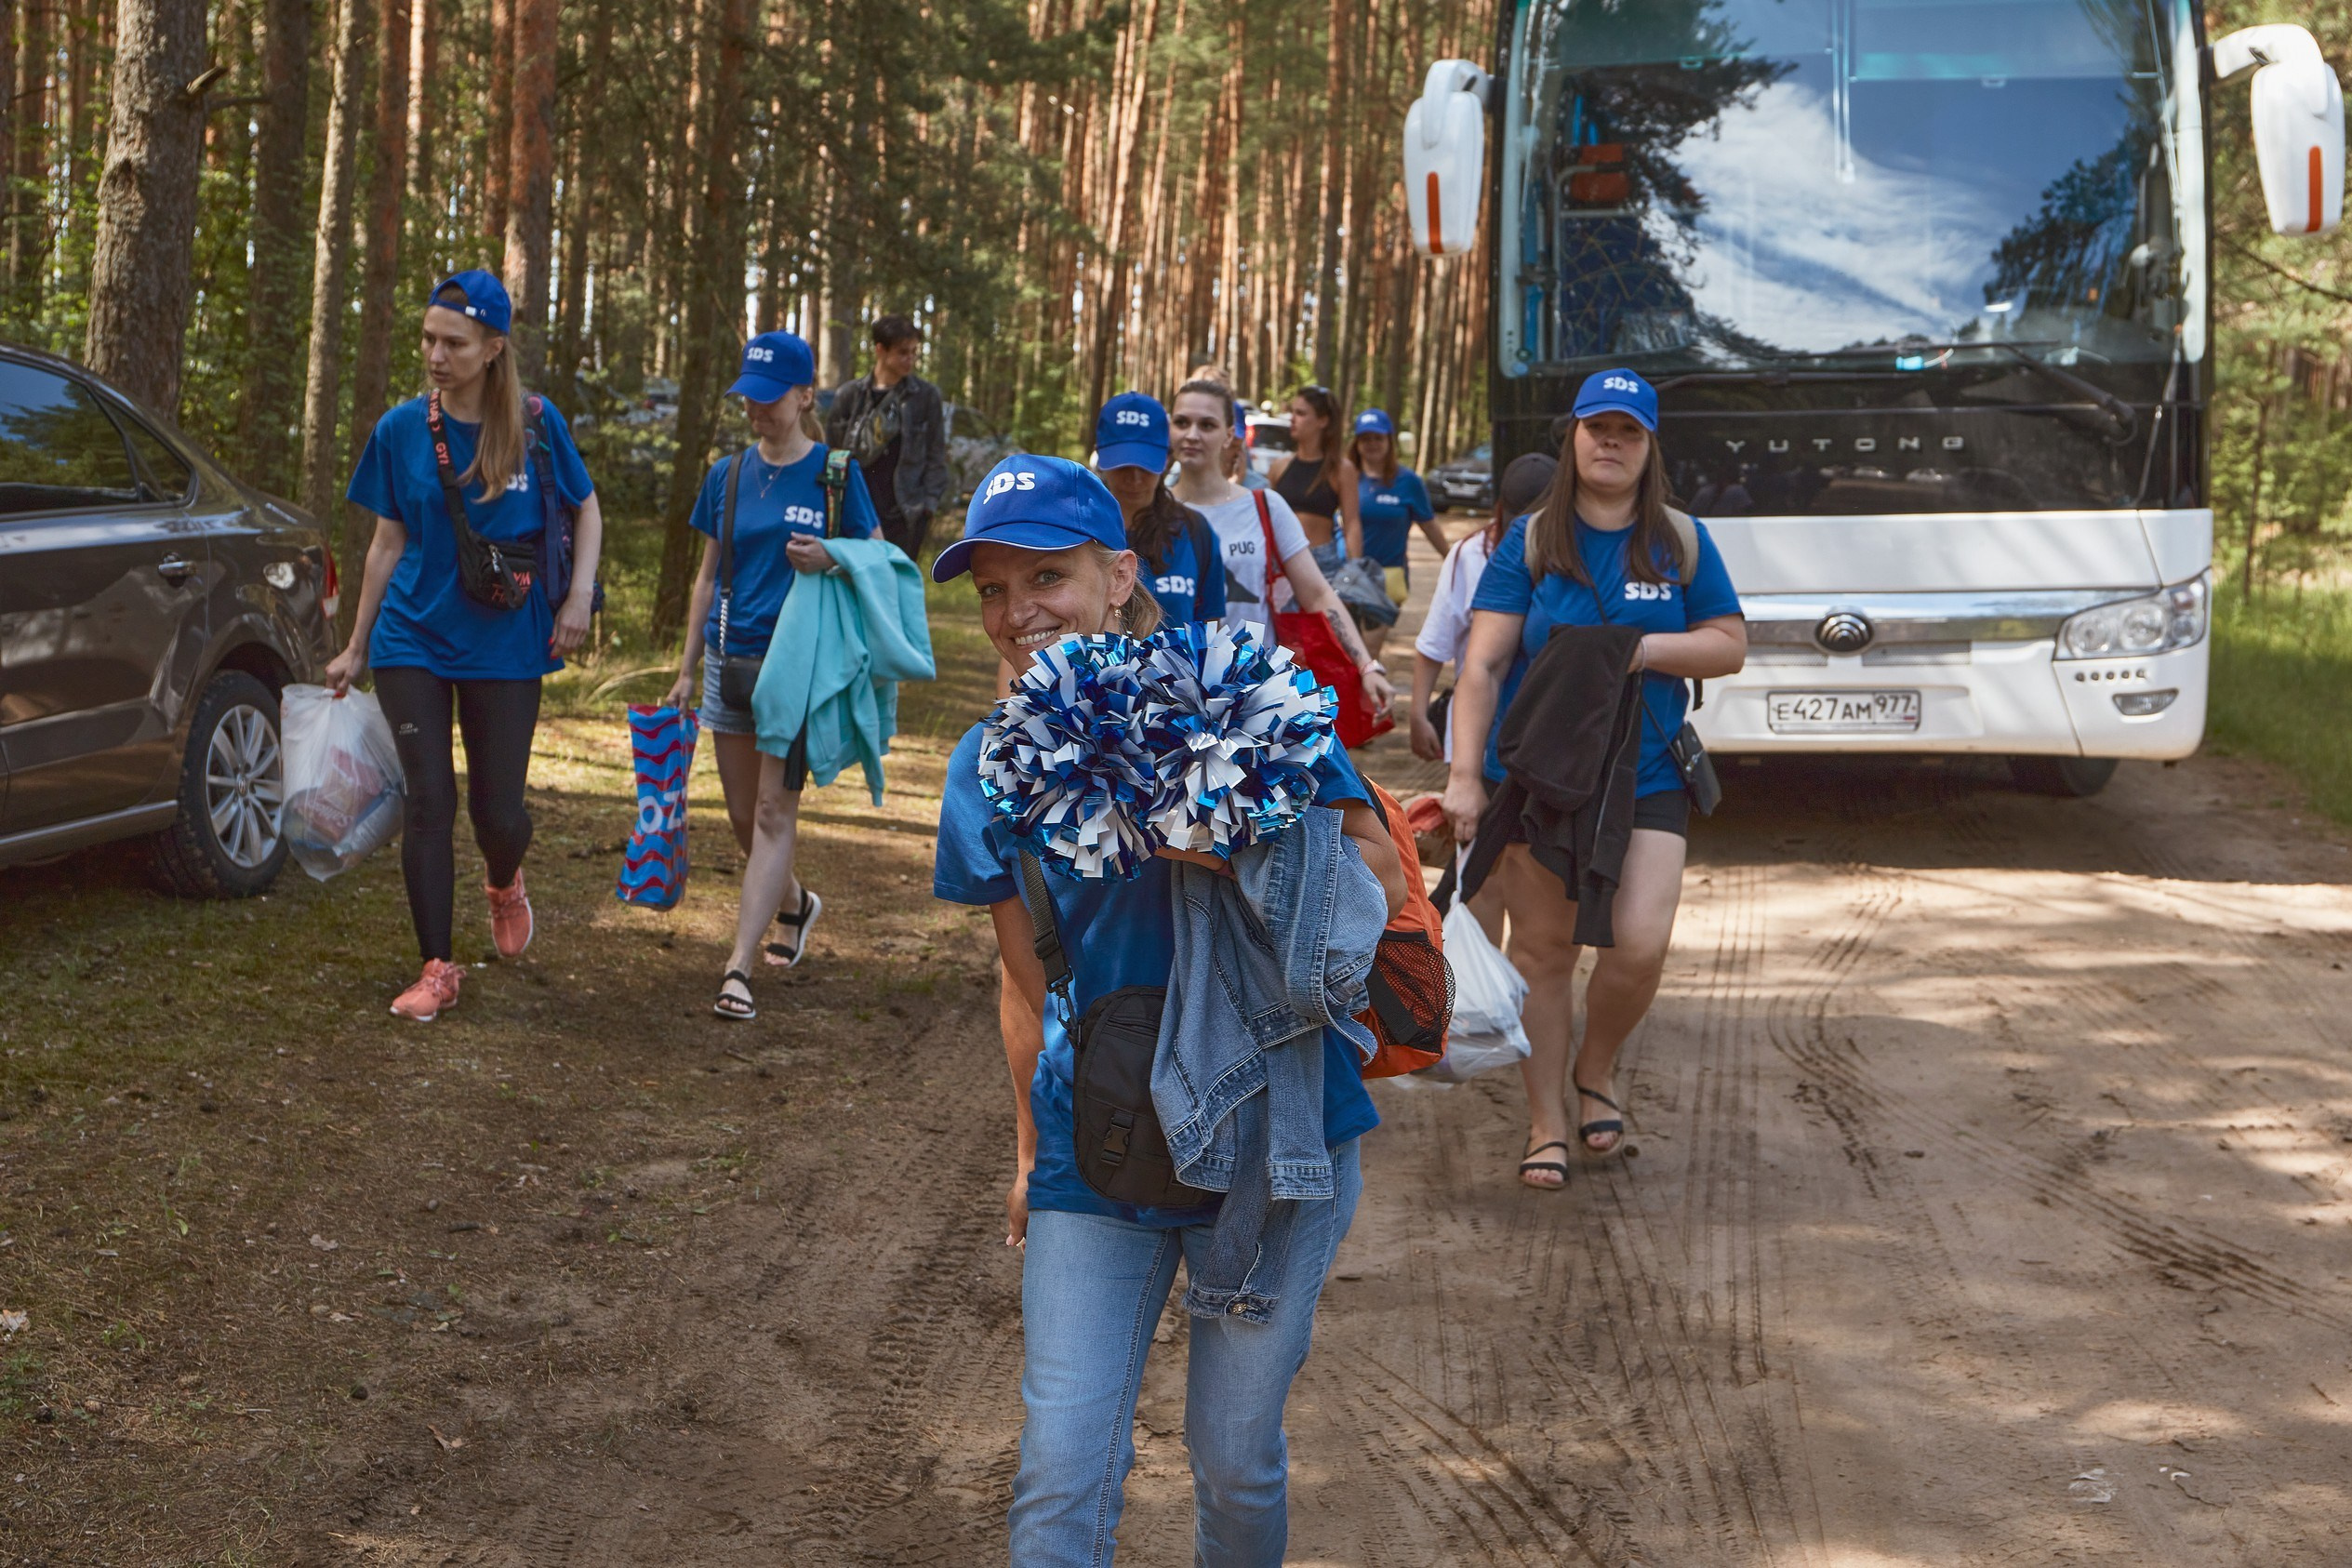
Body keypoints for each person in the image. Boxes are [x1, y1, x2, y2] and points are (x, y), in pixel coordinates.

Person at [928, 455, 1407, 1563]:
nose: (1016, 613)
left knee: (1236, 1464)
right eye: (992, 590)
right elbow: (1024, 982)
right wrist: (1028, 1147)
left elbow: (1378, 873)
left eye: (1045, 576)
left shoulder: (1239, 694)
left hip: (1276, 1138)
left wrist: (1238, 843)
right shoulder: (982, 768)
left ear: (1118, 575)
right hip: (1098, 1145)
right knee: (1060, 1469)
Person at [1440, 370, 1747, 1188]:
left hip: (1645, 773)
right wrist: (1464, 776)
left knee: (1638, 944)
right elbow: (1482, 666)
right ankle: (1546, 1123)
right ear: (1572, 437)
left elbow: (1727, 642)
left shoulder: (1678, 539)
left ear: (1648, 448)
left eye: (1628, 432)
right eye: (1596, 428)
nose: (1609, 443)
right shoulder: (1533, 540)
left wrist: (1636, 650)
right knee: (1543, 951)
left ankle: (1595, 1068)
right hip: (1538, 776)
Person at [326, 269, 603, 1021]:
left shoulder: (537, 424)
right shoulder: (401, 429)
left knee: (497, 813)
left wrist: (577, 596)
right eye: (427, 339)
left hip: (507, 641)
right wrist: (356, 646)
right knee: (430, 798)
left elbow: (586, 508)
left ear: (491, 348)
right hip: (411, 635)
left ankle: (504, 878)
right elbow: (386, 542)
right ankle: (437, 966)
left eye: (453, 343)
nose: (435, 355)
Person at [666, 331, 881, 1019]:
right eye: (748, 399)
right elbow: (705, 580)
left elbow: (878, 560)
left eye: (768, 398)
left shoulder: (835, 474)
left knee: (768, 812)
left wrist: (832, 556)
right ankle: (795, 902)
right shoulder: (725, 476)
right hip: (730, 665)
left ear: (803, 395)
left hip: (798, 666)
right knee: (737, 813)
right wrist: (684, 667)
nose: (756, 410)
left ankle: (736, 969)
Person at [1165, 379, 1395, 722]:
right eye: (1182, 422)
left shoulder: (1264, 506)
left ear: (1229, 435)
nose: (1192, 434)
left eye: (1207, 425)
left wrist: (1366, 665)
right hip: (1170, 694)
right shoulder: (1152, 513)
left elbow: (1318, 594)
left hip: (1253, 696)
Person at [1410, 452, 1557, 766]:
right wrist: (1418, 714)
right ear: (1500, 509)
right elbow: (1435, 643)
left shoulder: (1578, 557)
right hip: (1477, 737)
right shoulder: (1470, 555)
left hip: (1550, 733)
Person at [1092, 391, 1226, 627]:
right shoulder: (1076, 528)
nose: (1134, 478)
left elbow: (1210, 630)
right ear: (1100, 456)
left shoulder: (1195, 531)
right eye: (1122, 465)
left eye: (1145, 466)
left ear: (1166, 459)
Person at [825, 312, 950, 559]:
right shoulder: (850, 396)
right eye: (903, 352)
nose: (910, 359)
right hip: (856, 508)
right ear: (880, 350)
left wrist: (928, 505)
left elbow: (937, 454)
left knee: (897, 586)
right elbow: (831, 453)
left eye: (914, 352)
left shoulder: (925, 397)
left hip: (905, 512)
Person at [1347, 407, 1446, 658]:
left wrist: (1453, 558)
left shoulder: (1408, 482)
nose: (1372, 444)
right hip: (1346, 576)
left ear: (1389, 441)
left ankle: (1367, 696)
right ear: (1357, 442)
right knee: (1346, 651)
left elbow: (1429, 525)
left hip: (1387, 578)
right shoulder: (1345, 477)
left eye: (1378, 438)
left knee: (1368, 651)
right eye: (1365, 438)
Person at [1268, 383, 1361, 570]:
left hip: (1321, 562)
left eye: (1301, 414)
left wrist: (1355, 571)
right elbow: (1266, 519)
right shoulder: (1280, 466)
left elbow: (1352, 524)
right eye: (1292, 412)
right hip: (1280, 561)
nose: (1292, 419)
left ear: (1322, 421)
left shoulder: (1340, 469)